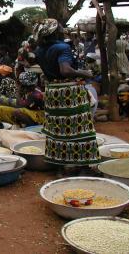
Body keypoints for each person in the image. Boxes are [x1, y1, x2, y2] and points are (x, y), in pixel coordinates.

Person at [34, 18, 99, 165]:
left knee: (57, 130)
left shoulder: (39, 50)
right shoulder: (62, 47)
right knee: (79, 129)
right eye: (60, 27)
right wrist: (84, 73)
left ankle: (61, 165)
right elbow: (65, 70)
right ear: (55, 31)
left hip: (52, 92)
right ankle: (81, 165)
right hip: (69, 93)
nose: (63, 29)